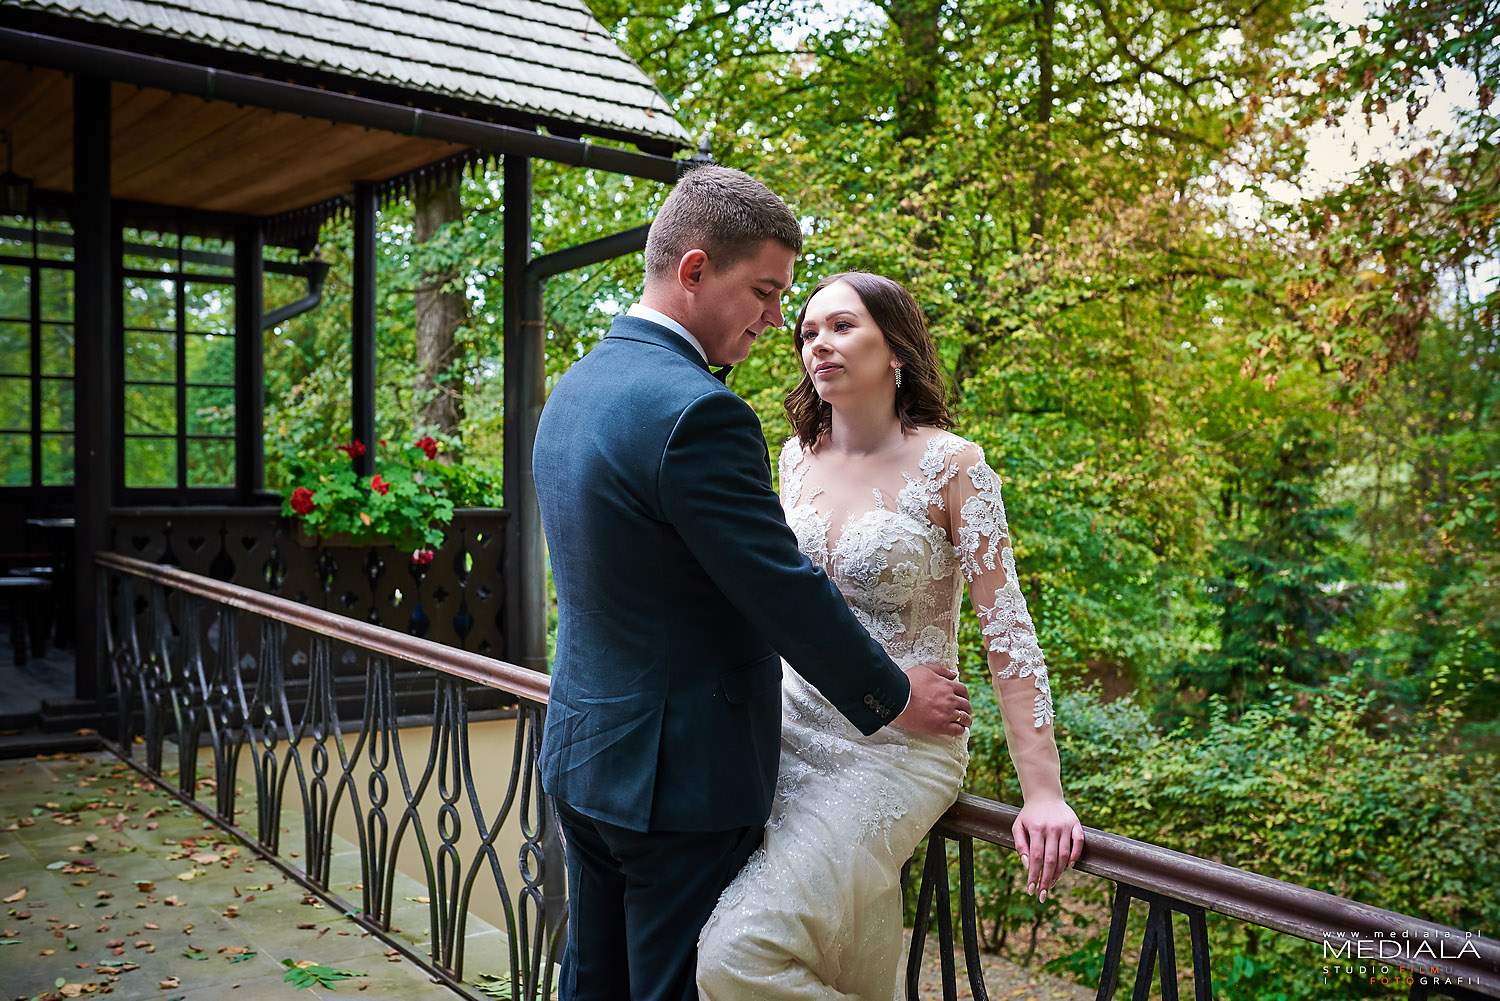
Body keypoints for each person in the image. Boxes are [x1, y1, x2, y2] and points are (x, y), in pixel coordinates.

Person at [531, 168, 972, 1001]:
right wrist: (891, 694)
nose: (776, 319)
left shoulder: (576, 387)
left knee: (593, 983)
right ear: (695, 270)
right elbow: (780, 588)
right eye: (765, 292)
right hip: (677, 782)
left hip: (582, 754)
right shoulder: (700, 412)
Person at [697, 272, 1084, 999]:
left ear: (896, 348)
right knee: (838, 952)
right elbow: (776, 603)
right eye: (808, 332)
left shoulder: (956, 467)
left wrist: (1043, 792)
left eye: (842, 326)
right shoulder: (793, 458)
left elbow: (1008, 631)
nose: (818, 344)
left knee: (736, 955)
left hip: (896, 753)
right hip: (780, 736)